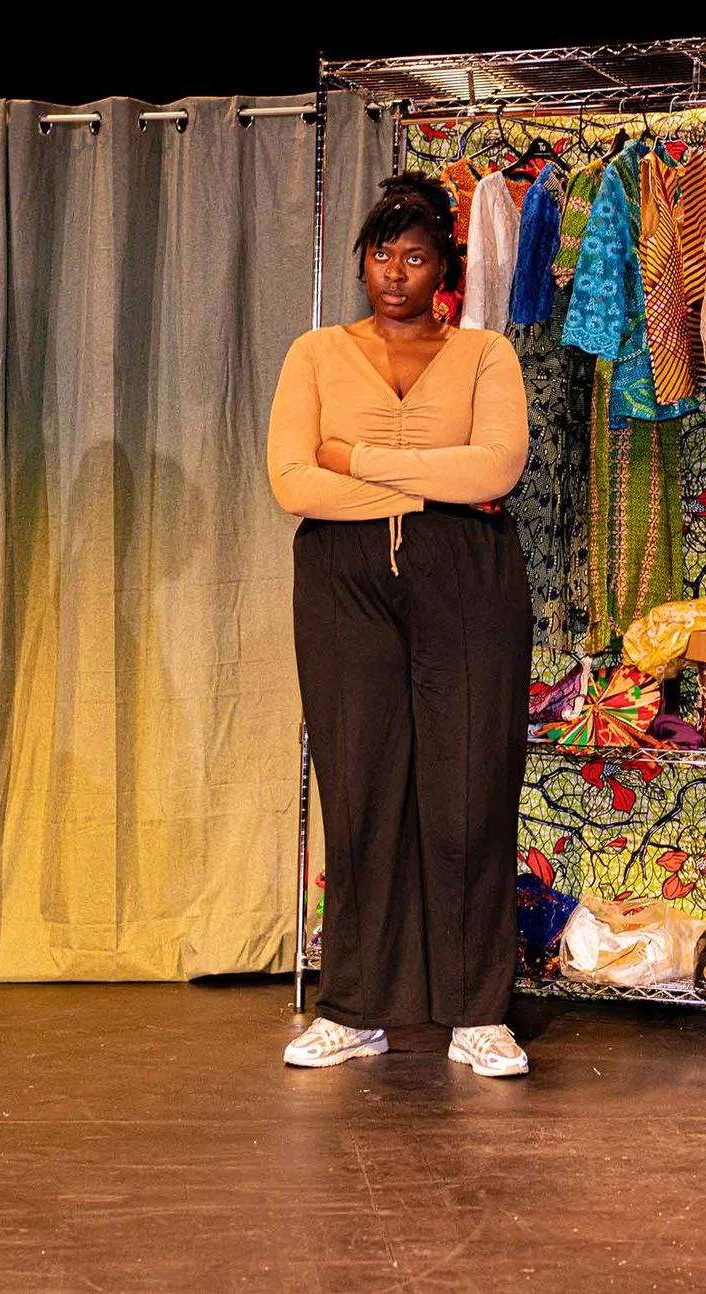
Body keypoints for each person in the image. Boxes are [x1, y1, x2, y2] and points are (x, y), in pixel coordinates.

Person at [267, 174, 535, 1078]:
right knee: (359, 790)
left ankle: (476, 1013)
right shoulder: (315, 354)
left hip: (466, 578)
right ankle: (356, 1008)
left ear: (443, 269)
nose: (394, 273)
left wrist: (358, 459)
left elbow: (495, 469)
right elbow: (292, 483)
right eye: (382, 254)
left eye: (415, 257)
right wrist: (431, 483)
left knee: (470, 791)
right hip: (343, 582)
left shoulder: (486, 355)